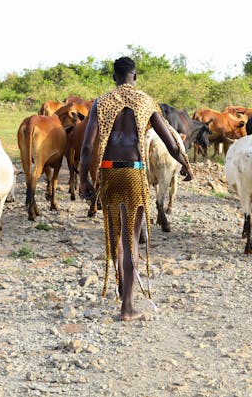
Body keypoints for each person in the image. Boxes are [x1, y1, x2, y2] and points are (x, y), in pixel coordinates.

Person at [78, 57, 193, 321]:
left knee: (116, 238)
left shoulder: (101, 102)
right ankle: (127, 307)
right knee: (132, 242)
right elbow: (171, 141)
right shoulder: (146, 102)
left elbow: (86, 147)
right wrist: (185, 164)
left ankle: (122, 290)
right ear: (135, 76)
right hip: (134, 172)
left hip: (108, 172)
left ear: (114, 77)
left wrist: (84, 180)